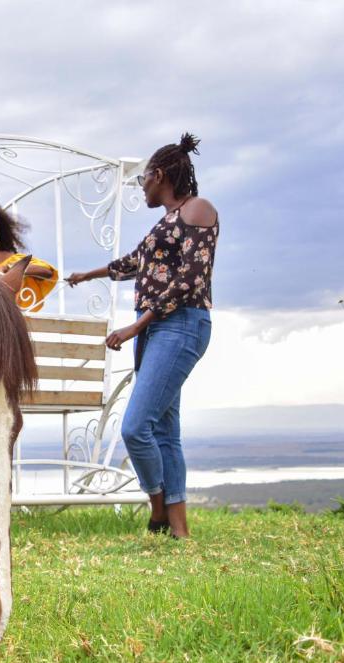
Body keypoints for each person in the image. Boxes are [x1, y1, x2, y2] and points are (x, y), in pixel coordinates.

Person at [66, 134, 218, 539]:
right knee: (166, 431)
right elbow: (134, 263)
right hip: (156, 326)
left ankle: (157, 512)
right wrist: (88, 274)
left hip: (180, 322)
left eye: (142, 181)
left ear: (160, 175)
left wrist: (136, 325)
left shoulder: (197, 209)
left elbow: (190, 279)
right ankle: (179, 532)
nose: (141, 187)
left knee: (136, 427)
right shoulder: (165, 221)